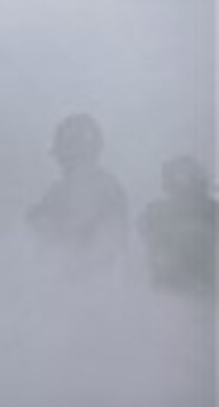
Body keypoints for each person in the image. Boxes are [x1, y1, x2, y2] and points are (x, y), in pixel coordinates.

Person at [28, 113, 129, 278]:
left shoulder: (106, 189)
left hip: (89, 285)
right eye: (60, 154)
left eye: (65, 154)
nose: (60, 161)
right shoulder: (58, 190)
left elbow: (112, 244)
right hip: (58, 282)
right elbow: (42, 233)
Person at [139, 155, 217, 298]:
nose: (184, 182)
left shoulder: (211, 211)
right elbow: (142, 247)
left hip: (205, 288)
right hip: (167, 289)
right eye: (179, 175)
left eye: (189, 175)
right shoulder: (155, 212)